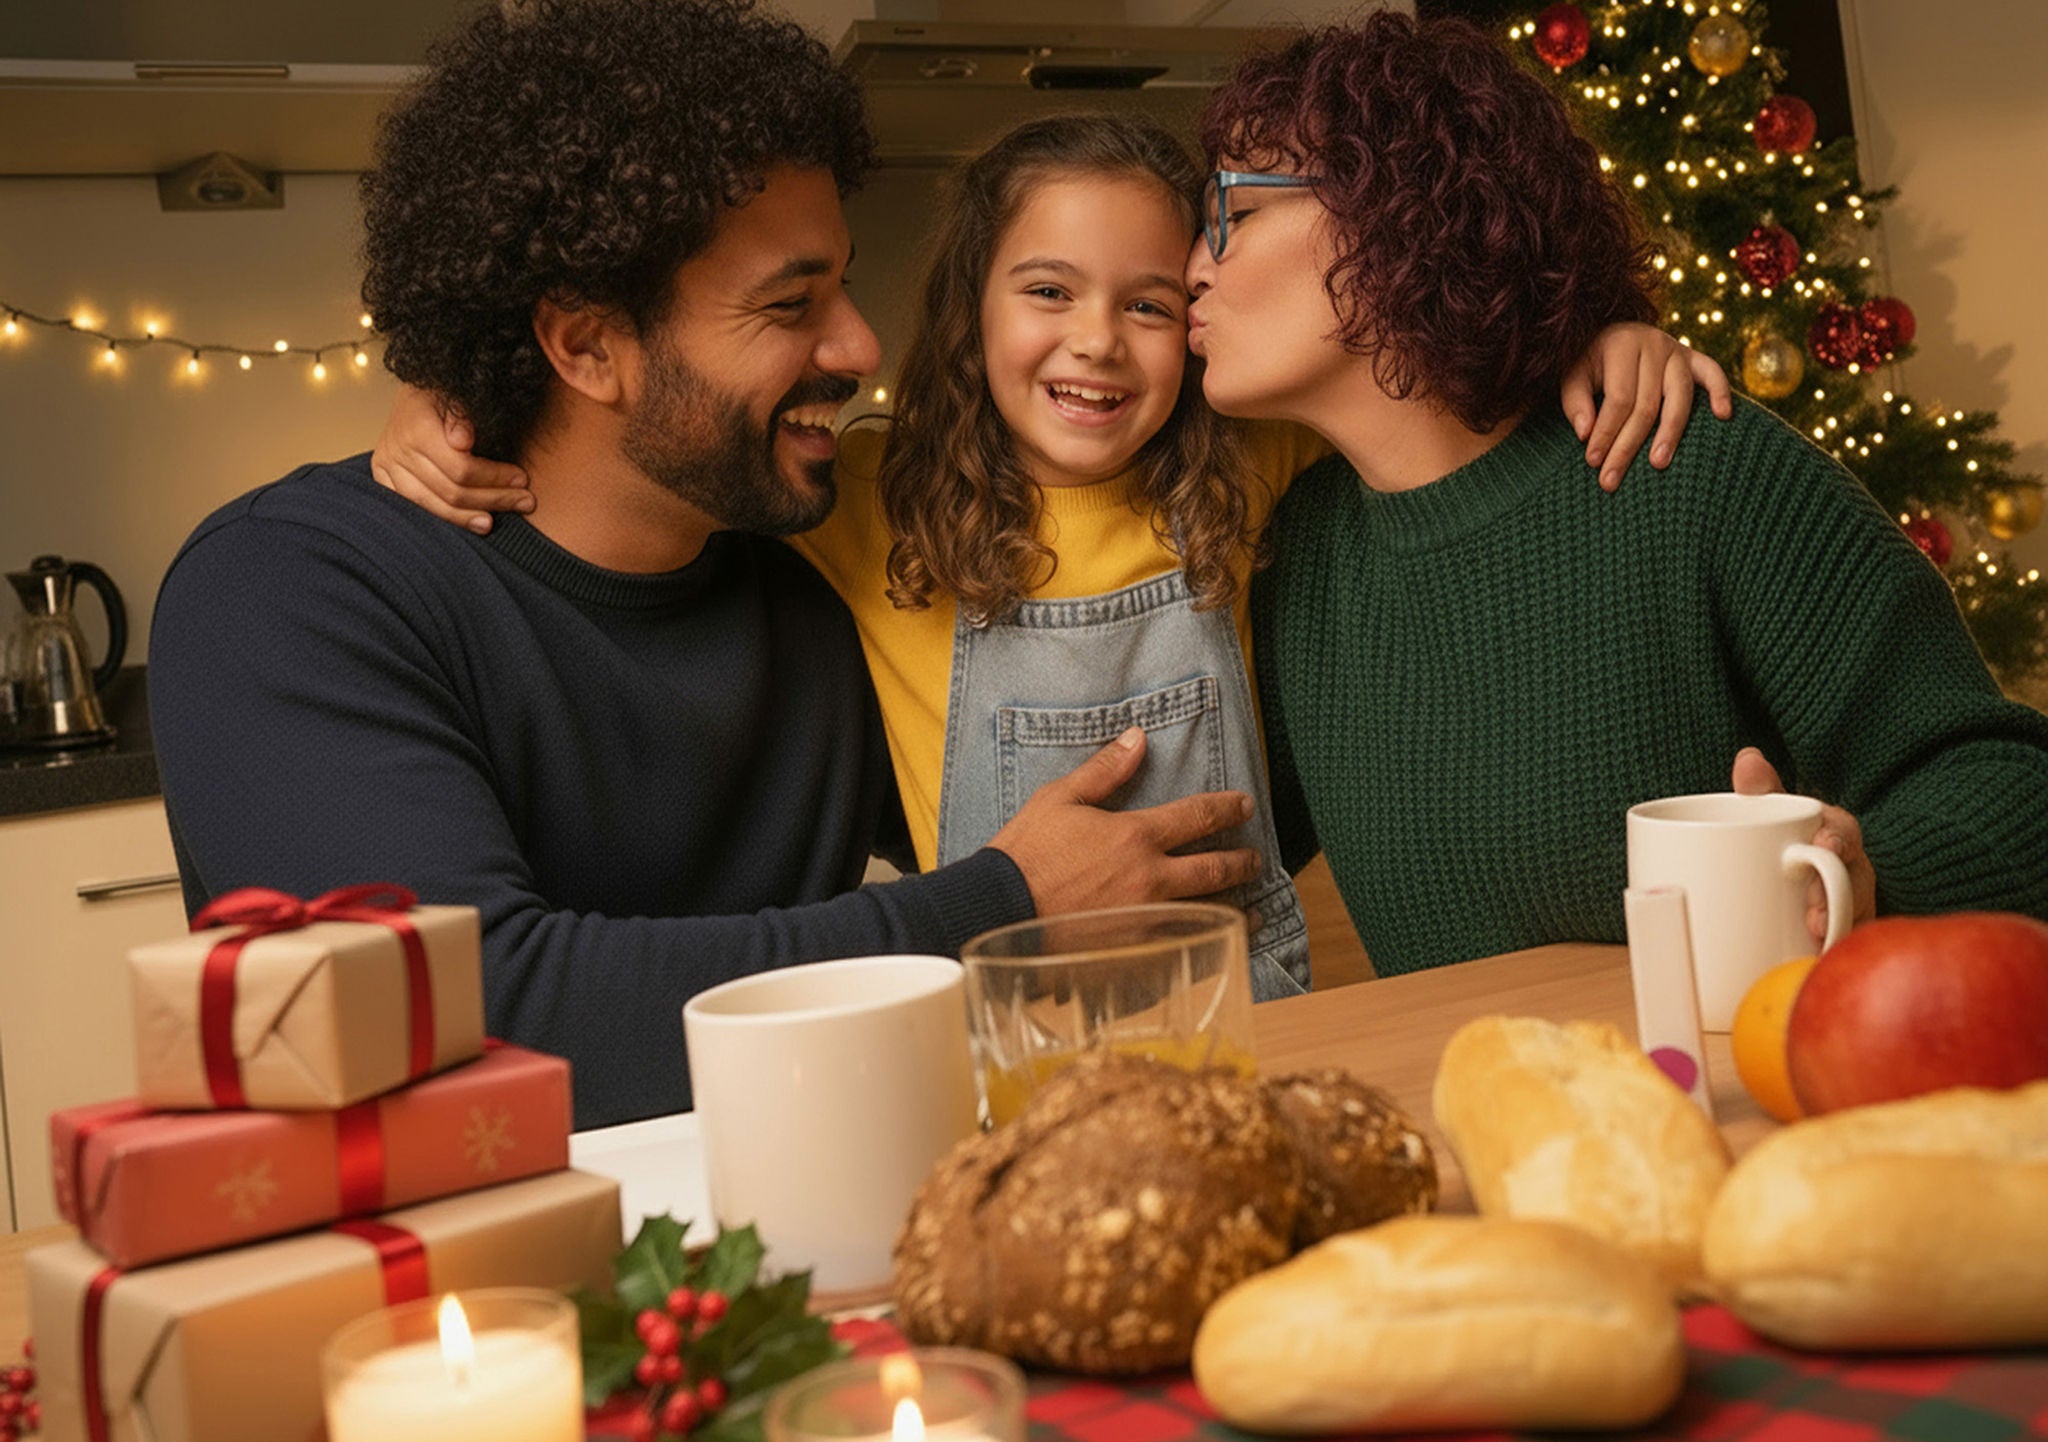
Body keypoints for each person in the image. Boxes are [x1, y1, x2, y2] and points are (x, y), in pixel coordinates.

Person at [147, 0, 1269, 1130]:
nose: (858, 348)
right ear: (586, 343)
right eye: (791, 304)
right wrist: (1000, 905)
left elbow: (1118, 817)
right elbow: (464, 1018)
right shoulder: (291, 590)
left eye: (838, 287)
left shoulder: (812, 588)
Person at [374, 110, 1731, 1000]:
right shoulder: (857, 498)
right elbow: (631, 445)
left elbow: (1448, 377)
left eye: (1148, 305)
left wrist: (1604, 335)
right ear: (971, 308)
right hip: (995, 1035)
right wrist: (445, 403)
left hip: (1251, 1013)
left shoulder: (1254, 460)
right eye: (1047, 292)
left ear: (1195, 324)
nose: (1096, 342)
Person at [1184, 12, 2048, 978]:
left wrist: (1871, 873)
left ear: (1397, 210)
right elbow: (1212, 850)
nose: (1192, 269)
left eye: (1234, 210)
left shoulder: (1689, 467)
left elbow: (2013, 787)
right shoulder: (1304, 559)